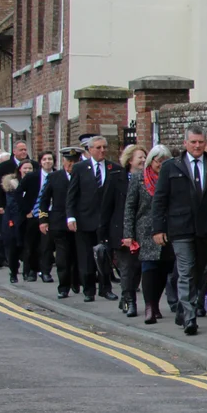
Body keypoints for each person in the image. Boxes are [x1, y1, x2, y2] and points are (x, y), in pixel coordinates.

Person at [152, 127, 207, 334]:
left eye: (200, 142)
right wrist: (158, 228)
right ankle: (190, 317)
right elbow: (159, 199)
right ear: (185, 143)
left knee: (200, 272)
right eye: (193, 142)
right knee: (185, 271)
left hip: (206, 229)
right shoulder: (170, 166)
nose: (197, 146)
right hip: (180, 227)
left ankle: (182, 309)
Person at [124, 146, 176, 325]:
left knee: (163, 269)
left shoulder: (172, 177)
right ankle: (149, 307)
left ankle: (155, 303)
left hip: (166, 230)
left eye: (165, 161)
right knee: (148, 267)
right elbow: (130, 207)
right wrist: (128, 234)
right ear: (151, 161)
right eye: (158, 161)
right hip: (144, 230)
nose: (161, 164)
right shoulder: (138, 178)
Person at [64, 135, 119, 302]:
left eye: (104, 147)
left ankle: (105, 289)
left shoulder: (113, 168)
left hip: (106, 221)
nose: (102, 150)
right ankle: (89, 290)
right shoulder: (80, 168)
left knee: (105, 257)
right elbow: (72, 195)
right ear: (89, 150)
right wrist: (71, 217)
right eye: (98, 147)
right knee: (87, 258)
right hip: (85, 220)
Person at [36, 149, 82, 298]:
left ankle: (76, 280)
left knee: (77, 255)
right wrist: (43, 220)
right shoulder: (54, 177)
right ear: (63, 162)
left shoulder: (83, 175)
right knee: (62, 258)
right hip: (59, 223)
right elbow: (43, 201)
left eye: (74, 162)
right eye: (68, 161)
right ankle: (63, 287)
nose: (71, 165)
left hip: (79, 222)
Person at [111, 145, 146, 316]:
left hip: (142, 231)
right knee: (127, 268)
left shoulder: (147, 178)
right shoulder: (116, 178)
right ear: (130, 160)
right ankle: (129, 301)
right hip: (122, 230)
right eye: (140, 157)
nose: (143, 160)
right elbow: (108, 206)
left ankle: (126, 296)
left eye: (145, 157)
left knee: (137, 269)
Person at [0, 159, 34, 281]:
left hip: (30, 219)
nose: (28, 170)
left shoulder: (35, 183)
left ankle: (27, 272)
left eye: (30, 168)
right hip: (13, 219)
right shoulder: (12, 184)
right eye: (25, 168)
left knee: (28, 247)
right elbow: (12, 204)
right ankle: (13, 272)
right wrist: (25, 212)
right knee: (13, 248)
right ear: (19, 169)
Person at [22, 150, 54, 283]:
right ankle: (31, 270)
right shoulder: (32, 177)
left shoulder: (57, 176)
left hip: (50, 213)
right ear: (40, 162)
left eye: (50, 159)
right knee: (32, 245)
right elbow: (18, 193)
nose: (47, 162)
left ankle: (45, 272)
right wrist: (26, 210)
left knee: (47, 245)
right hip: (34, 214)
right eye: (44, 159)